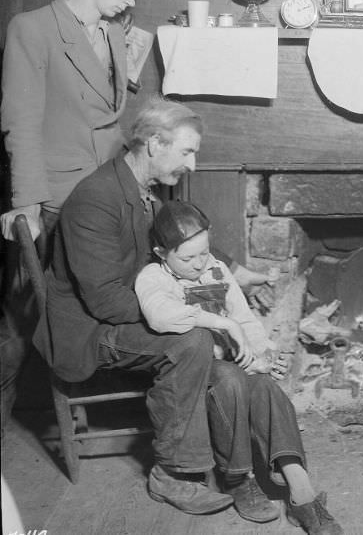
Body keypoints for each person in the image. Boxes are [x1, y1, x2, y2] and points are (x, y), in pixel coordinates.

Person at [33, 97, 236, 515]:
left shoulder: (143, 193)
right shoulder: (96, 198)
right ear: (154, 144)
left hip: (121, 308)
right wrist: (184, 306)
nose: (192, 165)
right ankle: (172, 474)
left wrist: (233, 272)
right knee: (191, 340)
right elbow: (106, 301)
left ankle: (218, 446)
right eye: (187, 152)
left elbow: (175, 249)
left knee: (205, 327)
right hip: (88, 329)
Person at [135, 201, 343, 533]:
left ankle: (302, 494)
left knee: (263, 385)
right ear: (161, 252)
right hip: (191, 375)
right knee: (231, 378)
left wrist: (264, 354)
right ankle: (237, 478)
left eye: (203, 252)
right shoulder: (153, 278)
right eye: (187, 258)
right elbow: (160, 316)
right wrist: (222, 323)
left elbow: (245, 319)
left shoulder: (215, 269)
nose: (199, 264)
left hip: (229, 362)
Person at [0, 0, 144, 439]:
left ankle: (86, 398)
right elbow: (20, 122)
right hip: (59, 194)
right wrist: (25, 205)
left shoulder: (114, 30)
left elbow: (109, 118)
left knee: (106, 295)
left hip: (108, 188)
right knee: (22, 321)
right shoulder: (33, 28)